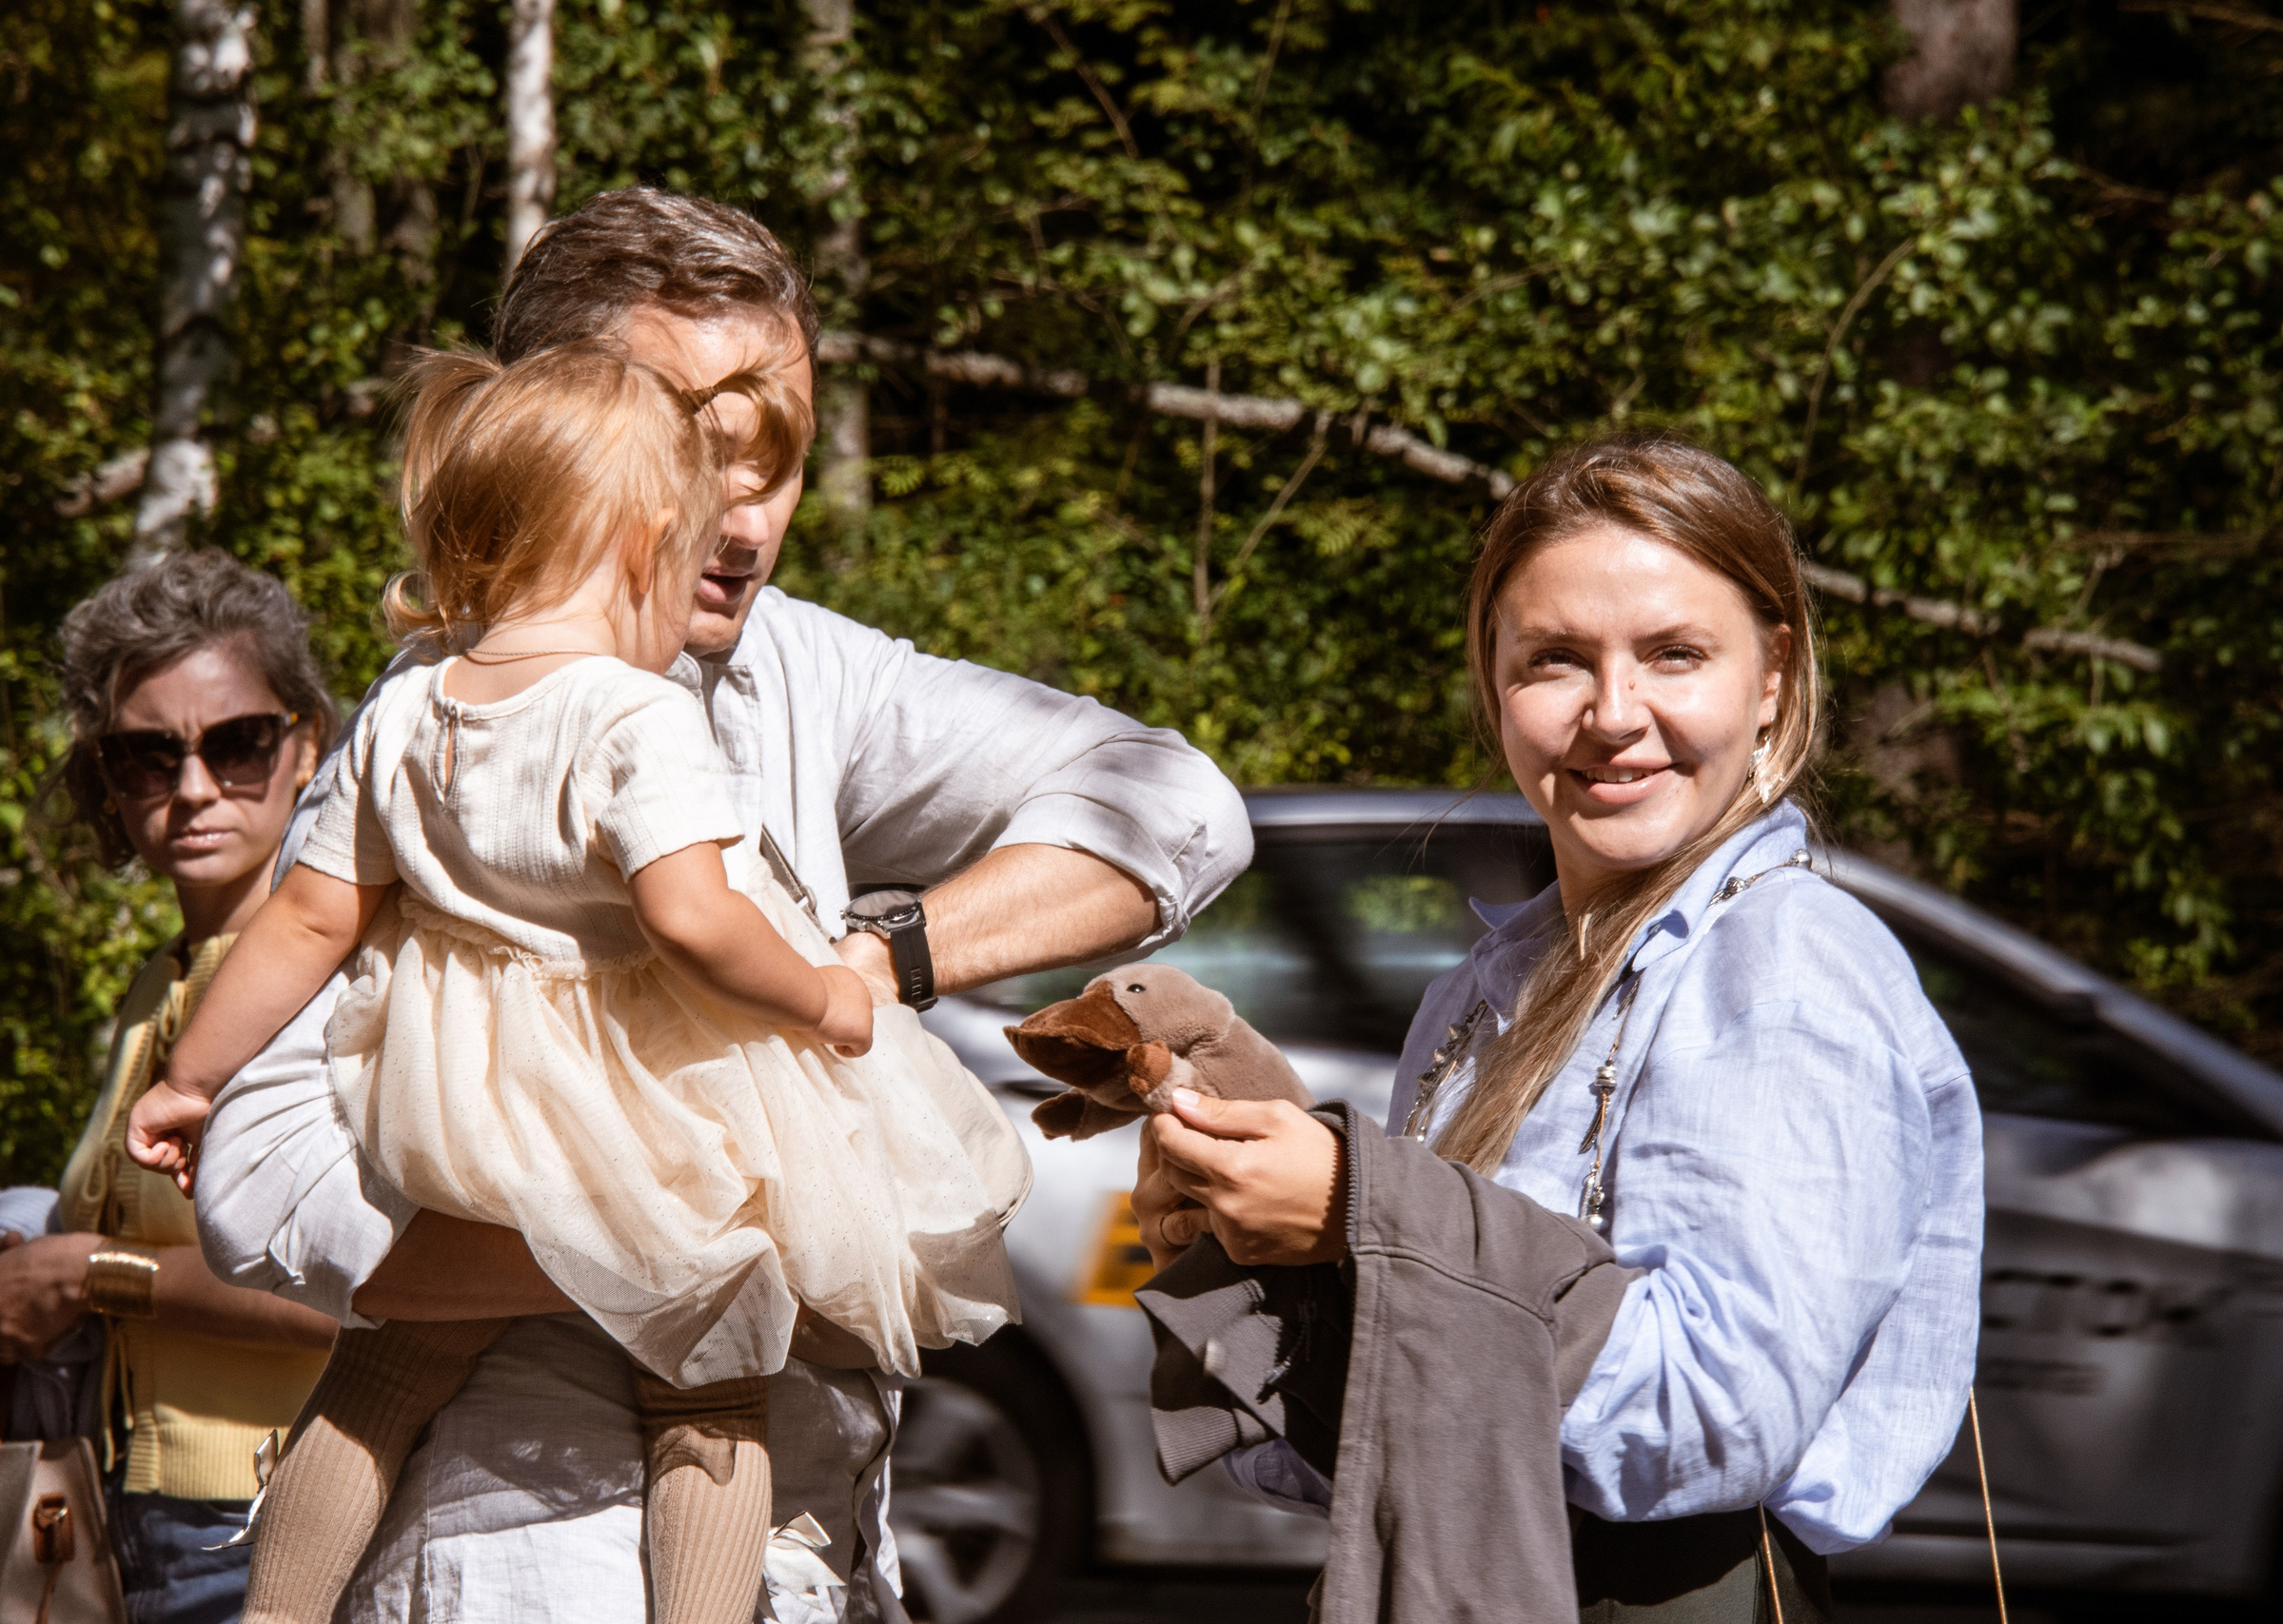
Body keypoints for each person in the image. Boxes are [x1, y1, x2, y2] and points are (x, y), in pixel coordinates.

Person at [188, 188, 1252, 1624]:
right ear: (555, 447)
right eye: (693, 449)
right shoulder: (437, 718)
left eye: (778, 458)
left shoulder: (805, 668)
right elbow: (259, 1183)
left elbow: (1179, 804)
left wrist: (890, 954)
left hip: (816, 1552)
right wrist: (692, 1234)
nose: (741, 517)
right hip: (527, 1557)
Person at [133, 341, 1026, 1624]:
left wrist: (190, 1075)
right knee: (712, 1382)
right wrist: (826, 995)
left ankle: (275, 1613)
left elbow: (303, 919)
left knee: (385, 1375)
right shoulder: (635, 714)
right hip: (643, 1103)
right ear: (644, 543)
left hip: (458, 1104)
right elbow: (695, 920)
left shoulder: (412, 707)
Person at [1133, 435, 1984, 1623]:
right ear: (1493, 685)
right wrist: (1251, 1249)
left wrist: (1365, 1218)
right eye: (1555, 661)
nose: (1613, 715)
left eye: (1676, 655)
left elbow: (1712, 1420)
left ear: (1773, 676)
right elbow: (1397, 1432)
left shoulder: (1783, 964)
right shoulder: (1486, 990)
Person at [0, 552, 343, 1624]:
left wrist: (93, 1273)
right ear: (108, 784)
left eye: (239, 743)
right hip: (131, 1516)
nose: (195, 787)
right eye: (147, 757)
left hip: (277, 1519)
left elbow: (361, 1295)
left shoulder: (338, 983)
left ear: (306, 745)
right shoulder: (153, 985)